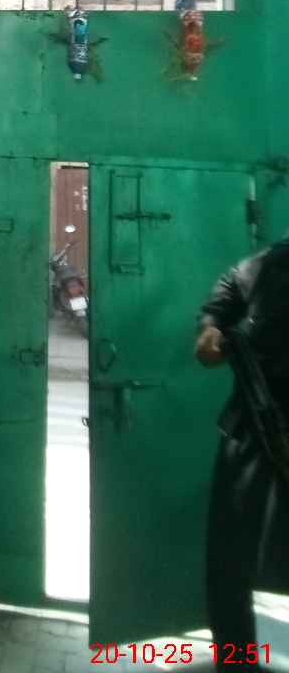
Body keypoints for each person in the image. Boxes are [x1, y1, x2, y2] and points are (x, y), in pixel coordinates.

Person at [195, 236, 289, 667]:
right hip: (256, 430)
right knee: (229, 563)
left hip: (258, 430)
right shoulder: (259, 268)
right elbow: (210, 336)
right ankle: (235, 663)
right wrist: (213, 334)